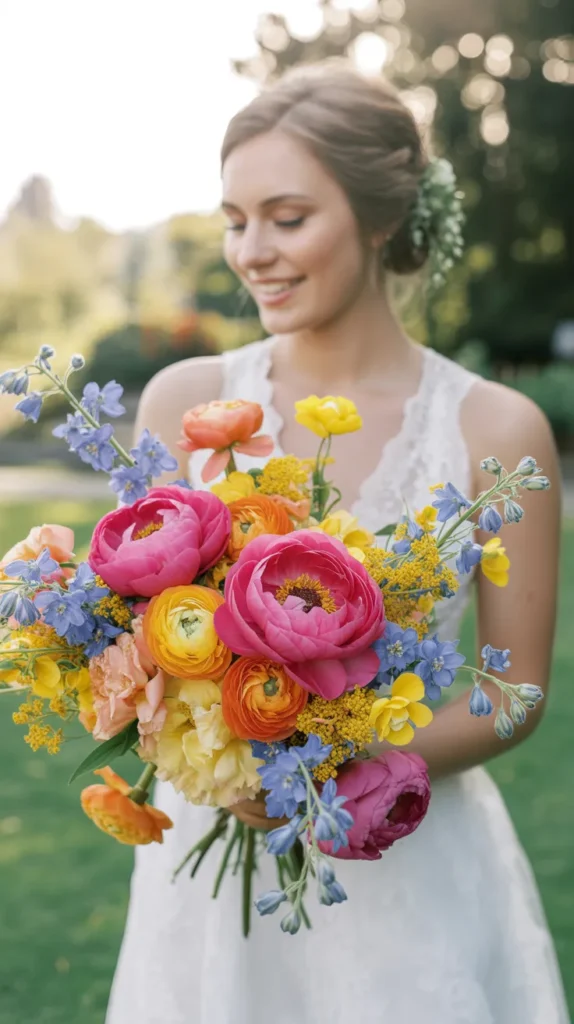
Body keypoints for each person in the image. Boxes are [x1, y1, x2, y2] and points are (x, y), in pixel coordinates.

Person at [106, 65, 568, 1024]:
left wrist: (328, 768)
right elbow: (132, 641)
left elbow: (513, 693)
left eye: (286, 217)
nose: (252, 252)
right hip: (207, 899)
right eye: (236, 220)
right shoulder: (179, 404)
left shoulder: (497, 428)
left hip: (406, 868)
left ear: (381, 218)